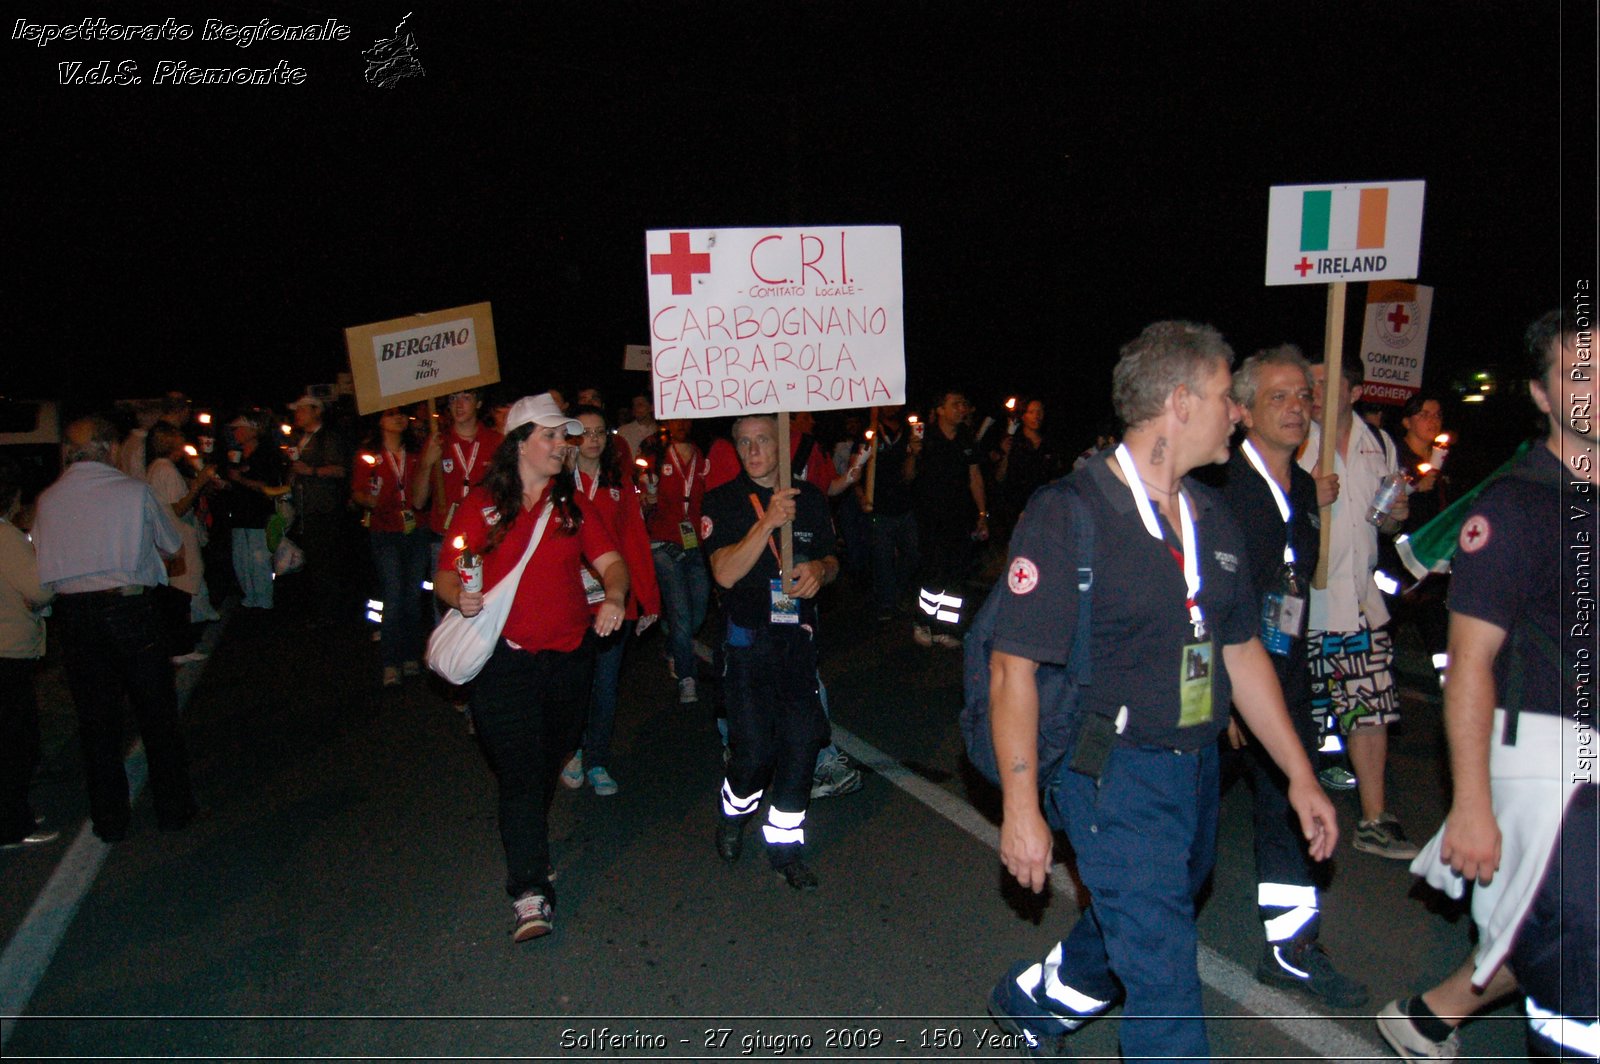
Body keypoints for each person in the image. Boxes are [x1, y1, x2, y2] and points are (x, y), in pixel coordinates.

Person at [985, 321, 1339, 1060]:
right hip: (1109, 772)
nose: (1236, 411)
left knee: (1147, 915)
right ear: (1179, 402)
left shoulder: (1212, 516)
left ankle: (1035, 1002)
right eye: (1224, 396)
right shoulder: (1070, 514)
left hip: (1197, 764)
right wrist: (1021, 809)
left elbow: (1240, 651)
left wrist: (1300, 774)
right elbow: (1011, 670)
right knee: (1165, 975)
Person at [1378, 310, 1597, 1062]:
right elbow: (1468, 664)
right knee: (1577, 955)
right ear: (1541, 395)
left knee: (1550, 928)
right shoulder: (1517, 505)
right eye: (1577, 375)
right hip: (1554, 763)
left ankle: (1433, 1015)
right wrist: (1471, 805)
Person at [1203, 346, 1368, 1006]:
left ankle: (1292, 949)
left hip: (1287, 678)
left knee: (1288, 817)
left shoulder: (1302, 485)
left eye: (1304, 396)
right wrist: (1234, 706)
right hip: (1226, 692)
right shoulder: (1220, 492)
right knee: (1183, 835)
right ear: (1241, 410)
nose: (1298, 407)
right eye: (1280, 396)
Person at [434, 394, 628, 943]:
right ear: (519, 442)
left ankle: (530, 846)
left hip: (570, 660)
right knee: (520, 772)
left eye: (564, 437)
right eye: (550, 435)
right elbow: (450, 571)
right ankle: (528, 890)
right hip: (505, 662)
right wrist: (460, 597)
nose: (562, 446)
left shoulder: (573, 506)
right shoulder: (481, 504)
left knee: (550, 759)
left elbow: (612, 562)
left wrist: (614, 596)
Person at [32, 415, 199, 842]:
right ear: (109, 449)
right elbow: (173, 547)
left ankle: (109, 819)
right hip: (129, 608)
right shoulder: (133, 491)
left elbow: (43, 568)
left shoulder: (48, 500)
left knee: (96, 722)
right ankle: (173, 810)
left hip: (75, 616)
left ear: (69, 452)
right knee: (155, 713)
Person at [701, 413, 839, 891]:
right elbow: (723, 572)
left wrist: (821, 568)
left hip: (797, 644)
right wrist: (768, 522)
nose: (753, 449)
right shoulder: (721, 501)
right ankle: (733, 812)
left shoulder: (812, 499)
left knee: (802, 744)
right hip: (747, 645)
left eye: (762, 439)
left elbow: (832, 558)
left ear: (781, 444)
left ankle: (785, 847)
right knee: (755, 752)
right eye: (744, 442)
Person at [1299, 353, 1415, 858]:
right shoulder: (1297, 440)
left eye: (1326, 383)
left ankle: (1374, 817)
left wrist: (1398, 515)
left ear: (1353, 392)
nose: (1315, 392)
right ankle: (1295, 812)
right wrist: (1308, 496)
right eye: (1312, 383)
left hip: (1361, 602)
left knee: (1369, 708)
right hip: (1307, 602)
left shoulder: (1380, 444)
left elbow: (1384, 523)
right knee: (1303, 712)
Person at [558, 405, 661, 796]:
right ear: (571, 438)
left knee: (605, 682)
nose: (594, 439)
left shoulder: (618, 484)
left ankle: (596, 757)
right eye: (584, 432)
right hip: (567, 601)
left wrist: (648, 599)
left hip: (610, 602)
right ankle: (571, 750)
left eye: (600, 431)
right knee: (572, 682)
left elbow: (634, 539)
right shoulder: (557, 482)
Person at [0, 457, 58, 848]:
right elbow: (41, 589)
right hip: (7, 651)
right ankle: (11, 824)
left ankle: (11, 811)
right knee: (15, 742)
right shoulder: (6, 538)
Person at [351, 408, 429, 687]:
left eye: (401, 415)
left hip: (416, 529)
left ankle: (411, 655)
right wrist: (369, 498)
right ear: (380, 420)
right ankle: (390, 661)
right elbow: (358, 491)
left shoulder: (418, 451)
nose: (398, 419)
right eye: (390, 414)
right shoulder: (368, 455)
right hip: (385, 532)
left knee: (412, 595)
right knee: (393, 596)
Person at [909, 389, 988, 648]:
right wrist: (912, 452)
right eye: (955, 404)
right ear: (940, 409)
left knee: (955, 572)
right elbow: (908, 476)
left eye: (963, 404)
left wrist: (981, 513)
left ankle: (946, 628)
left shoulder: (966, 438)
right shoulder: (925, 436)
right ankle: (924, 622)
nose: (961, 408)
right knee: (933, 570)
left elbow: (975, 476)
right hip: (931, 518)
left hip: (960, 517)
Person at [642, 418, 711, 703]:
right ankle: (687, 677)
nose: (681, 423)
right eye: (675, 418)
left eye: (686, 418)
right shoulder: (654, 454)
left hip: (694, 541)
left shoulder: (702, 455)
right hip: (662, 543)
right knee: (681, 614)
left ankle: (673, 644)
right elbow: (639, 496)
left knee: (698, 610)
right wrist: (648, 493)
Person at [145, 423, 218, 663]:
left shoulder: (157, 468)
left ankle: (180, 644)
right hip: (176, 535)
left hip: (168, 535)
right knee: (179, 593)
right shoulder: (165, 469)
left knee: (176, 592)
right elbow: (177, 508)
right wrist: (198, 484)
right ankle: (181, 648)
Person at [413, 388, 504, 582]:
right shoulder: (437, 442)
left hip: (485, 538)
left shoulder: (496, 442)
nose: (458, 404)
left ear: (478, 403)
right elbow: (419, 502)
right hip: (445, 538)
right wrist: (426, 464)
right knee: (447, 606)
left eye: (466, 397)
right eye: (453, 398)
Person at [286, 394, 350, 628]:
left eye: (302, 410)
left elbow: (340, 470)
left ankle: (330, 613)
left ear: (316, 411)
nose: (297, 415)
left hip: (325, 509)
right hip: (306, 508)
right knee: (314, 560)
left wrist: (310, 470)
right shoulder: (299, 438)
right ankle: (321, 608)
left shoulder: (328, 438)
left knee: (325, 561)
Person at [223, 412, 288, 611]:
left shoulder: (267, 453)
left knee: (259, 559)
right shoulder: (236, 454)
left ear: (253, 430)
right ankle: (249, 597)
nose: (236, 433)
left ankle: (264, 600)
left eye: (240, 428)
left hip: (259, 514)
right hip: (240, 513)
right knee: (240, 559)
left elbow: (269, 486)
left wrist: (241, 480)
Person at [859, 404, 919, 622]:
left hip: (904, 506)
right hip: (879, 508)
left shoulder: (908, 432)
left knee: (913, 554)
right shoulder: (870, 433)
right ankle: (886, 601)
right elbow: (856, 468)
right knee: (882, 558)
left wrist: (914, 453)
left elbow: (910, 475)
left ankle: (896, 592)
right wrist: (862, 498)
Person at [993, 397, 1064, 530]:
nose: (1036, 416)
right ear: (1023, 416)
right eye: (1031, 412)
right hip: (1016, 507)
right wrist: (1005, 454)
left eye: (1040, 412)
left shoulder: (1049, 445)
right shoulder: (1013, 443)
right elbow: (999, 477)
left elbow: (1055, 478)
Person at [617, 393, 658, 457]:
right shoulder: (623, 432)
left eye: (640, 405)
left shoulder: (658, 430)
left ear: (651, 407)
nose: (636, 408)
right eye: (634, 405)